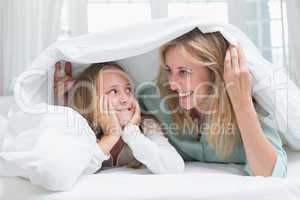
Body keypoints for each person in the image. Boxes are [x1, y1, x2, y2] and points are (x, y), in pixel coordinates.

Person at [142, 28, 287, 177]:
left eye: (183, 72)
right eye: (168, 70)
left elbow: (270, 173)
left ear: (214, 71)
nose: (172, 84)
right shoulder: (155, 98)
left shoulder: (253, 107)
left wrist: (241, 103)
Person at [53, 61, 185, 174]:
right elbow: (71, 170)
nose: (125, 99)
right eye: (113, 91)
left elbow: (175, 167)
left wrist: (132, 133)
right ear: (91, 101)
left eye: (128, 90)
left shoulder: (147, 125)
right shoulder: (84, 129)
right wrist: (111, 135)